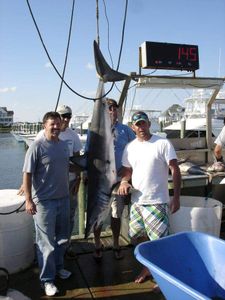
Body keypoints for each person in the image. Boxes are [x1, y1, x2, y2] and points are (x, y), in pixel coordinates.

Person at [118, 111, 181, 284]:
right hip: (137, 202)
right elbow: (127, 170)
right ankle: (149, 267)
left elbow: (175, 169)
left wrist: (176, 197)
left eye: (143, 123)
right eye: (137, 124)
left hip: (157, 201)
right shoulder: (130, 147)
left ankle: (164, 279)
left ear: (149, 124)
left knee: (159, 243)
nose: (141, 127)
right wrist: (124, 181)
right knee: (137, 236)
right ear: (133, 127)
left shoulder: (162, 143)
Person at [23, 111, 71, 297]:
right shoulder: (36, 146)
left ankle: (59, 268)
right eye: (52, 124)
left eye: (58, 124)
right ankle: (47, 280)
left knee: (62, 238)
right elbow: (27, 174)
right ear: (44, 125)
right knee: (46, 244)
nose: (56, 127)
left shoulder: (64, 146)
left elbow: (67, 167)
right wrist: (28, 200)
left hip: (64, 199)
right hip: (44, 203)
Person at [86, 98, 135, 260]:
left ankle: (115, 243)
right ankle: (98, 243)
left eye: (114, 108)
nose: (112, 111)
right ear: (104, 112)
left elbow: (136, 151)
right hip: (100, 182)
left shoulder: (126, 131)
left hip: (119, 181)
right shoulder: (94, 132)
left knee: (116, 214)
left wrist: (128, 174)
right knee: (97, 214)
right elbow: (88, 155)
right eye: (109, 108)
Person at [35, 104, 83, 259]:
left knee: (68, 218)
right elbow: (31, 163)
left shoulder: (73, 136)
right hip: (48, 188)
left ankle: (65, 246)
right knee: (49, 222)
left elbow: (77, 161)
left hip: (69, 185)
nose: (66, 119)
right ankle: (48, 253)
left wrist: (79, 178)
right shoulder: (42, 135)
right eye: (63, 116)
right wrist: (26, 187)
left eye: (68, 116)